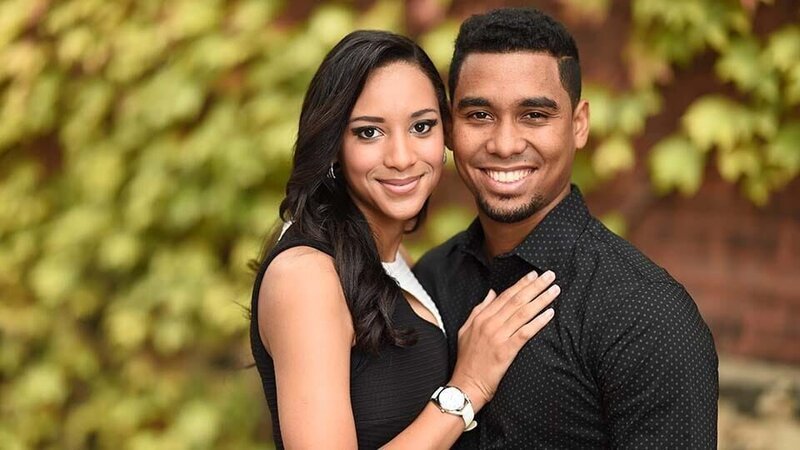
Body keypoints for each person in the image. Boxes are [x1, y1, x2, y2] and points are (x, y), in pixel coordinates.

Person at [414, 8, 719, 448]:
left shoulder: (648, 316)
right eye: (479, 115)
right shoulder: (431, 281)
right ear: (449, 128)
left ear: (578, 125)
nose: (504, 144)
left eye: (534, 115)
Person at [250, 30, 560, 449]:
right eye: (369, 133)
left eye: (421, 126)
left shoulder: (391, 261)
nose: (401, 157)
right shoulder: (307, 277)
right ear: (333, 143)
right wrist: (466, 388)